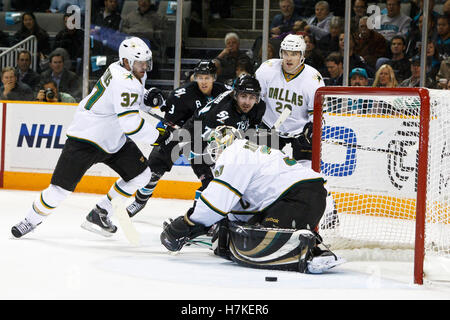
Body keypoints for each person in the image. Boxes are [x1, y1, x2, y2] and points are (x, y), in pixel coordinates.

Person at [10, 37, 170, 239]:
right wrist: (159, 136)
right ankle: (29, 220)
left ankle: (100, 213)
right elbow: (131, 125)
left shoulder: (121, 68)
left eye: (146, 62)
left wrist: (147, 98)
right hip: (86, 138)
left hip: (112, 138)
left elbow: (126, 100)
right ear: (127, 61)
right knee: (59, 190)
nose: (145, 67)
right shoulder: (125, 80)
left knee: (141, 176)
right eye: (140, 63)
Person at [160, 126, 345, 274]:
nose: (215, 155)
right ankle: (305, 243)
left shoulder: (236, 151)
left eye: (216, 148)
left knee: (251, 246)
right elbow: (235, 216)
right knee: (235, 233)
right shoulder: (252, 154)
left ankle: (315, 251)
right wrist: (198, 230)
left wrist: (186, 223)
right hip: (299, 196)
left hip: (299, 195)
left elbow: (216, 203)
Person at [126, 73, 265, 217]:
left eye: (252, 97)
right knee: (156, 165)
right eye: (243, 96)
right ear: (235, 95)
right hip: (193, 133)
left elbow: (252, 129)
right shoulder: (220, 114)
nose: (247, 102)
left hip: (213, 135)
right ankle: (140, 200)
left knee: (212, 184)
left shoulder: (259, 106)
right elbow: (200, 141)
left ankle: (195, 219)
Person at [255, 34, 325, 164]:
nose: (289, 58)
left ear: (302, 55)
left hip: (300, 132)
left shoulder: (313, 79)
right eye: (286, 53)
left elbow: (317, 114)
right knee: (261, 166)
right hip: (271, 126)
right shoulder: (267, 69)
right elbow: (255, 100)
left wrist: (312, 129)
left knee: (305, 171)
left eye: (294, 54)